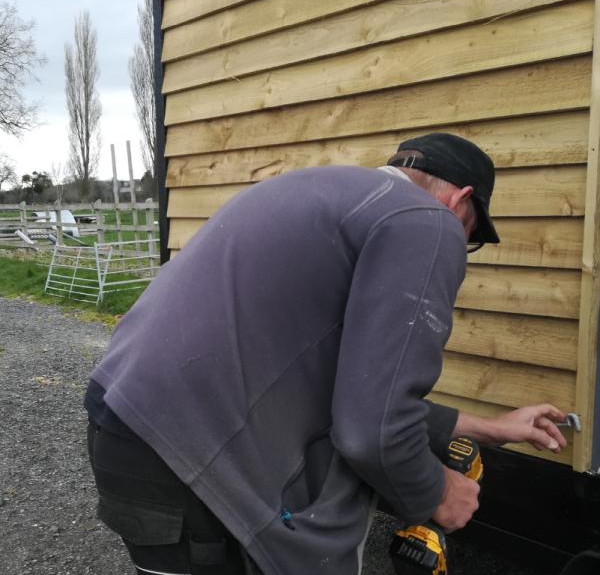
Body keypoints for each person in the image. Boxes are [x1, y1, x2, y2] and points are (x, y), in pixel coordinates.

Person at [84, 133, 568, 575]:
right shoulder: (428, 221)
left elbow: (354, 392)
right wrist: (437, 492)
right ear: (461, 201)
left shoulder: (317, 192)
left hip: (124, 425)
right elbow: (371, 431)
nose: (463, 244)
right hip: (195, 461)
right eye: (473, 234)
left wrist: (494, 427)